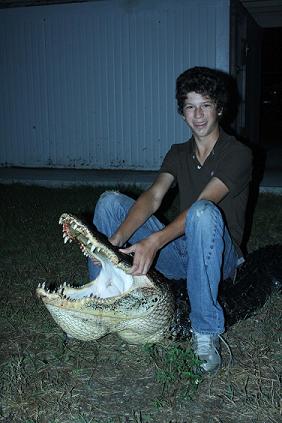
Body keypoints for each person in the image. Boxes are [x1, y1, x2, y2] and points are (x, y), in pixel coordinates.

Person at [89, 66, 252, 372]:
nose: (198, 115)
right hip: (183, 251)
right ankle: (101, 303)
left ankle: (205, 333)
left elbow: (206, 203)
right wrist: (113, 241)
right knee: (110, 202)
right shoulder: (179, 152)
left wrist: (154, 241)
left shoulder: (238, 153)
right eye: (190, 107)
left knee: (202, 213)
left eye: (205, 105)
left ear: (219, 108)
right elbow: (153, 197)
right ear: (182, 113)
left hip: (221, 255)